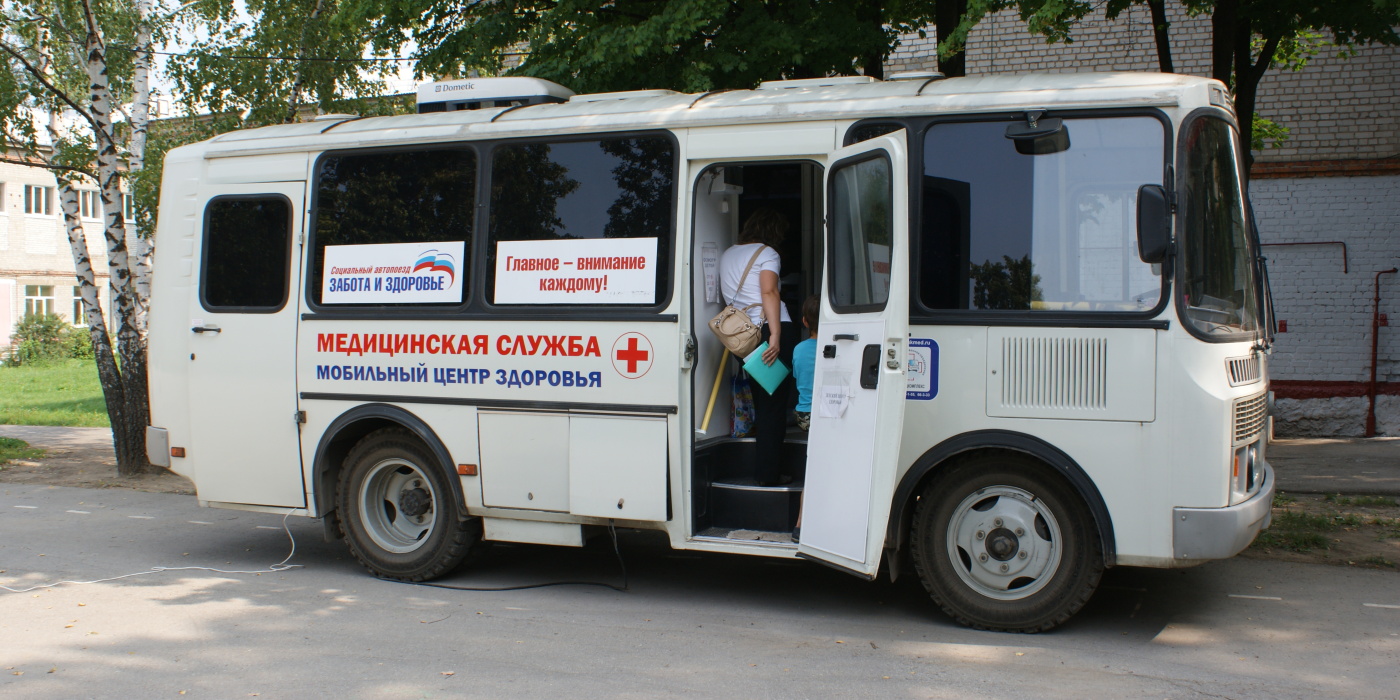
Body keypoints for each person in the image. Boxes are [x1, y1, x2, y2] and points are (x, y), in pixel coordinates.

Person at [720, 208, 798, 486]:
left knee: (764, 403)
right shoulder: (768, 253)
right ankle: (768, 475)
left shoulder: (728, 254)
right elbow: (769, 291)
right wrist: (775, 334)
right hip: (768, 331)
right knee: (774, 407)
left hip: (742, 336)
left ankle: (766, 471)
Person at [792, 295, 819, 432]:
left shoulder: (799, 349)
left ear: (805, 321)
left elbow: (797, 376)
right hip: (828, 411)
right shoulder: (837, 348)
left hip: (805, 413)